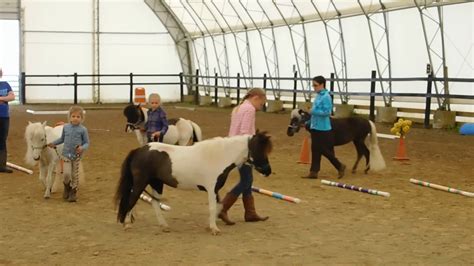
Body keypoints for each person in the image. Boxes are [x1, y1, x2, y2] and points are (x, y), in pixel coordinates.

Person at [219, 88, 269, 225]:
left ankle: (250, 213)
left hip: (233, 145)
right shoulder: (249, 109)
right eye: (262, 102)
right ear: (256, 97)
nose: (262, 105)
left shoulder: (239, 107)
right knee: (246, 180)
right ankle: (223, 207)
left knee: (247, 179)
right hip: (242, 148)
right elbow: (245, 132)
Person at [302, 76, 345, 179]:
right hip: (315, 126)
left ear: (322, 85)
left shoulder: (326, 97)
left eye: (315, 85)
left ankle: (339, 165)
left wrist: (312, 112)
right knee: (315, 149)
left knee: (322, 149)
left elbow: (327, 112)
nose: (314, 87)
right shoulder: (318, 96)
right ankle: (314, 171)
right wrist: (309, 121)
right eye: (313, 85)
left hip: (323, 128)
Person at [48, 106, 89, 202]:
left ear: (82, 118)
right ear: (69, 117)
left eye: (78, 117)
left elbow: (87, 143)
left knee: (75, 175)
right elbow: (62, 139)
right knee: (66, 174)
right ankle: (67, 187)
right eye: (73, 116)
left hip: (76, 156)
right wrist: (53, 143)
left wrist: (82, 148)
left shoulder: (83, 130)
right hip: (66, 155)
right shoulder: (66, 127)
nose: (75, 118)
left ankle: (73, 192)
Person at [0, 68, 15, 173]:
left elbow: (12, 97)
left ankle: (2, 165)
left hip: (4, 117)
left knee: (2, 140)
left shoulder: (5, 84)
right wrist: (4, 98)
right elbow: (8, 97)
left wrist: (0, 99)